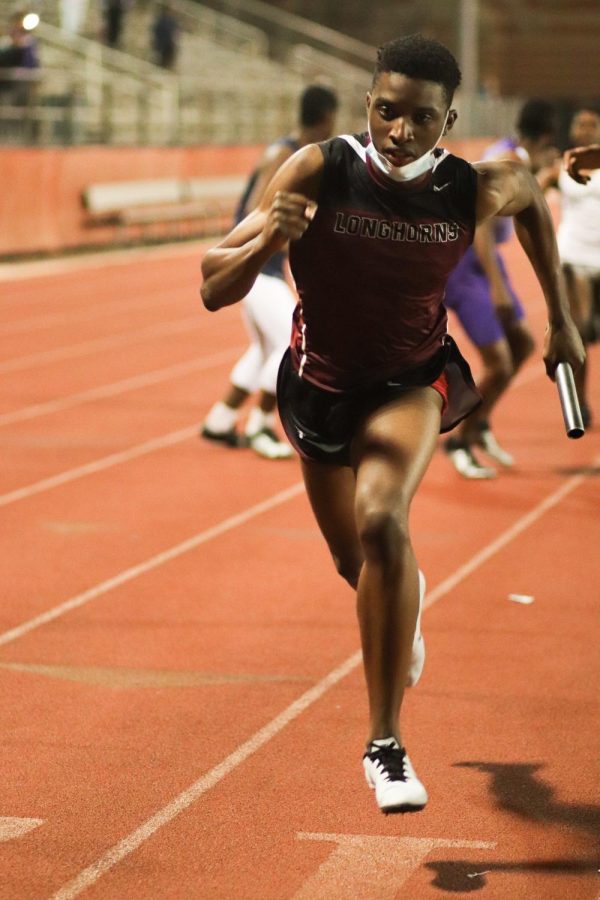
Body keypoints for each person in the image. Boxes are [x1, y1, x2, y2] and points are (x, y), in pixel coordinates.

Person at [200, 35, 584, 814]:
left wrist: (563, 322)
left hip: (413, 379)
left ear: (448, 120)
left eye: (419, 118)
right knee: (358, 567)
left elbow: (533, 202)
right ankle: (399, 607)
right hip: (317, 386)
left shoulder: (471, 185)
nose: (399, 131)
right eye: (385, 111)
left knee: (383, 521)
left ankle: (385, 743)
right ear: (368, 104)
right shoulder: (319, 168)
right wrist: (271, 239)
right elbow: (213, 285)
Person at [201, 85, 338, 460]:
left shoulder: (297, 155)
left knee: (263, 348)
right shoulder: (284, 155)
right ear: (328, 118)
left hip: (268, 269)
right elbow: (256, 213)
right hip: (257, 269)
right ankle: (261, 425)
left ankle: (220, 419)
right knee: (291, 345)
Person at [442, 99, 558, 478]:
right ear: (542, 140)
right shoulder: (508, 161)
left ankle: (481, 424)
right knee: (499, 363)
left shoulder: (512, 154)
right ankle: (458, 441)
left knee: (524, 344)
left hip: (487, 264)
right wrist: (498, 289)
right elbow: (483, 232)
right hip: (467, 268)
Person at [542, 108, 600, 426]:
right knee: (580, 330)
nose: (587, 129)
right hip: (574, 257)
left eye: (593, 124)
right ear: (574, 131)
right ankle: (581, 400)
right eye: (581, 124)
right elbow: (532, 195)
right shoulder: (560, 168)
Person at [151, 3, 179, 70]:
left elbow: (176, 32)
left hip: (168, 44)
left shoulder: (174, 21)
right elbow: (156, 30)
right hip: (161, 42)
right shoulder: (161, 19)